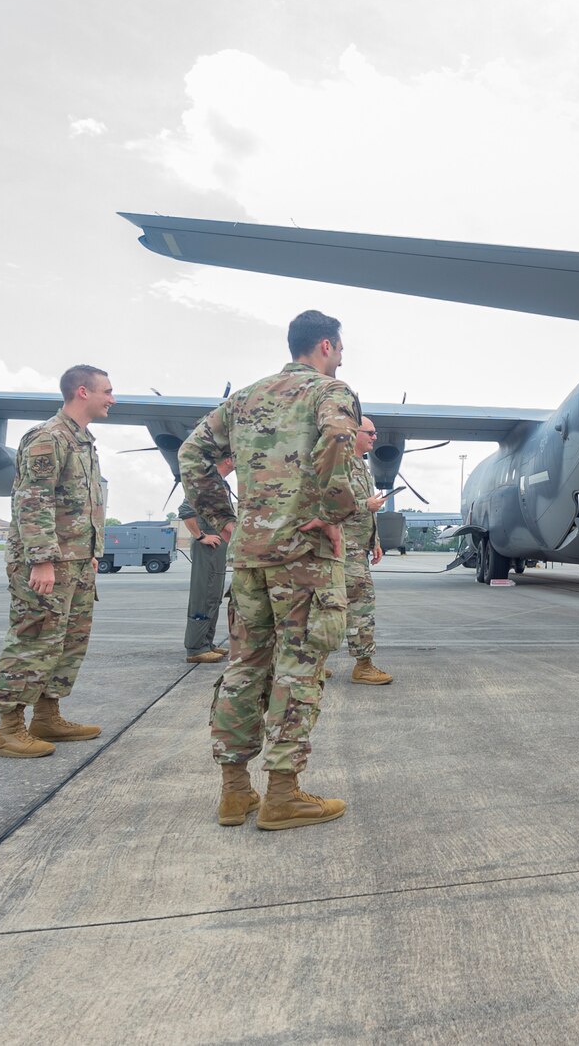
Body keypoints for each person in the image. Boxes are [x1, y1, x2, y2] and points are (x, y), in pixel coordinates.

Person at [178, 310, 360, 831]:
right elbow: (340, 441)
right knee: (300, 669)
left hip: (253, 555)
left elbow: (193, 454)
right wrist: (329, 513)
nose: (342, 358)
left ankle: (235, 792)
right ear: (325, 345)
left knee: (245, 666)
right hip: (303, 557)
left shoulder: (245, 398)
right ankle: (282, 793)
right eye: (341, 349)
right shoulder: (329, 391)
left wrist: (225, 519)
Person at [0, 364, 114, 759]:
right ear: (82, 392)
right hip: (47, 564)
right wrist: (41, 560)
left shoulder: (82, 442)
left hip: (75, 563)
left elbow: (81, 505)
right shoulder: (48, 438)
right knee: (33, 640)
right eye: (107, 391)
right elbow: (32, 500)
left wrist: (92, 555)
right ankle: (8, 730)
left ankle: (47, 717)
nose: (112, 399)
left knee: (67, 643)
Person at [344, 417, 392, 685]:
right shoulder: (338, 464)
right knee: (360, 608)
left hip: (357, 549)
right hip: (342, 549)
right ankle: (363, 665)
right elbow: (326, 505)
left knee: (337, 608)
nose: (375, 437)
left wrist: (375, 541)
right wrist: (366, 505)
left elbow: (361, 506)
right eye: (370, 433)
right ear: (353, 433)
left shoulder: (361, 465)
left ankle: (313, 665)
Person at [177, 454, 234, 664]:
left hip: (217, 547)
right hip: (208, 546)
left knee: (213, 594)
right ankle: (195, 647)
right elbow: (186, 510)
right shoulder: (207, 481)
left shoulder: (219, 482)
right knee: (203, 594)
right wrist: (201, 536)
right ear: (227, 459)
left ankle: (207, 643)